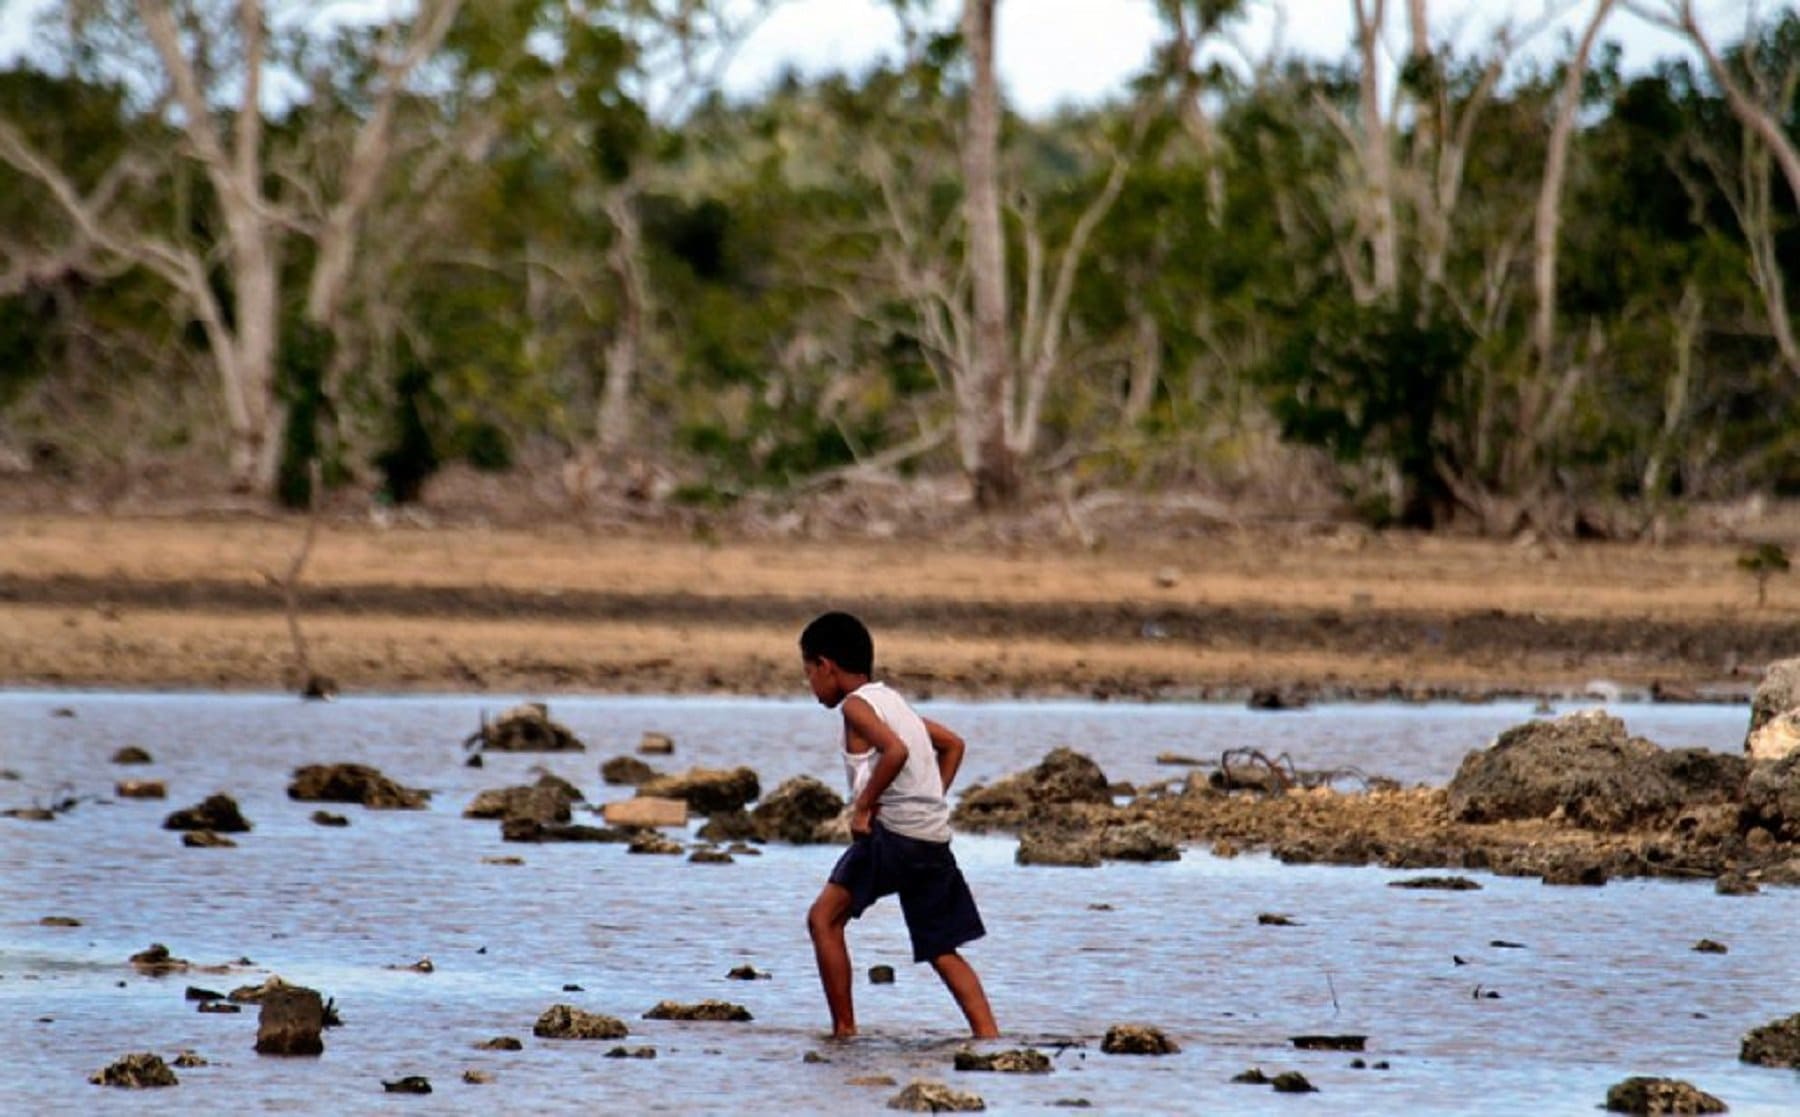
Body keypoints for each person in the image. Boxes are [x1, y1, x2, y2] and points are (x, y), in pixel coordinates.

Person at [798, 611, 999, 1040]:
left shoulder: (856, 706)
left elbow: (895, 751)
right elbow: (952, 744)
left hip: (892, 840)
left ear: (826, 665)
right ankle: (988, 1037)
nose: (810, 683)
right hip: (930, 840)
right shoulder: (894, 703)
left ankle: (844, 1032)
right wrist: (928, 799)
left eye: (809, 672)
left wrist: (863, 808)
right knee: (941, 947)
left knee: (823, 920)